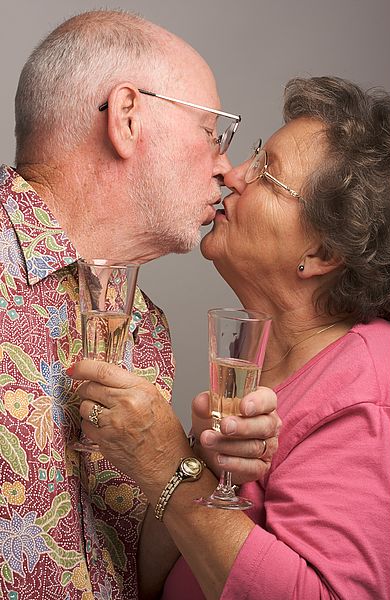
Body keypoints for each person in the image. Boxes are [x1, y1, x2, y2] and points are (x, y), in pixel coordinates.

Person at [70, 75, 390, 599]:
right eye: (252, 156)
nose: (233, 174)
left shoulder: (371, 388)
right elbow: (150, 582)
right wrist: (199, 460)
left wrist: (167, 463)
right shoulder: (260, 367)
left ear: (322, 255)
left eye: (269, 173)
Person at [0, 10, 280, 599]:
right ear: (127, 118)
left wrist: (192, 463)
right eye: (212, 132)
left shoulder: (145, 328)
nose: (225, 167)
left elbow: (129, 572)